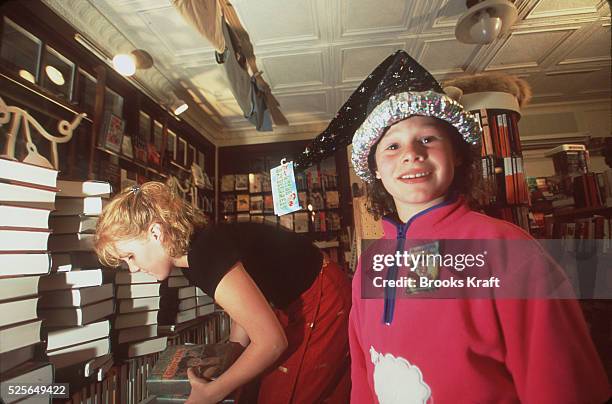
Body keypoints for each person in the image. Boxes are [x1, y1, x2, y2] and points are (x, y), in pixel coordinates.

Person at [340, 51, 610, 403]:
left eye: (427, 139)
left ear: (457, 155)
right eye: (392, 146)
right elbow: (363, 376)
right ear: (374, 169)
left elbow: (563, 386)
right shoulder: (370, 264)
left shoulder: (507, 249)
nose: (411, 154)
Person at [94, 182, 351, 404]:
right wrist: (234, 350)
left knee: (284, 394)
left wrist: (211, 393)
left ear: (156, 233)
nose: (133, 268)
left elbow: (272, 342)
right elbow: (243, 301)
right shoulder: (191, 258)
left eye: (130, 256)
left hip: (323, 294)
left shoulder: (205, 256)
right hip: (297, 298)